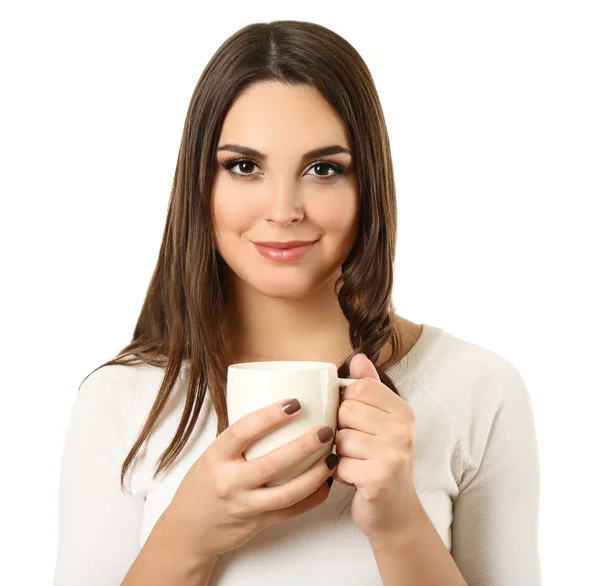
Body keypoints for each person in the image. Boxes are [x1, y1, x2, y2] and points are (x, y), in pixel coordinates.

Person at [52, 20, 541, 586]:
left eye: (323, 169)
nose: (283, 209)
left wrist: (399, 525)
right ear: (199, 184)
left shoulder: (478, 388)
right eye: (244, 166)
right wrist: (185, 536)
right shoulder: (120, 400)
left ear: (369, 188)